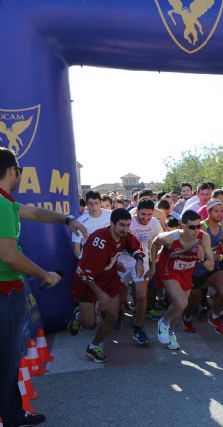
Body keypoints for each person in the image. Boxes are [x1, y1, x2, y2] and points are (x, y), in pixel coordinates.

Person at [0, 148, 86, 427]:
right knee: (8, 360)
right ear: (12, 171)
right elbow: (9, 255)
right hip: (5, 292)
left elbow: (34, 212)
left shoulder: (7, 203)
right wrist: (44, 274)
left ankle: (13, 414)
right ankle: (12, 417)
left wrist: (66, 219)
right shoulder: (2, 205)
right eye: (19, 171)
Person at [72, 209, 145, 362]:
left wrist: (138, 260)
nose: (126, 229)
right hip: (87, 282)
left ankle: (93, 347)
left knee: (113, 315)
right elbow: (83, 272)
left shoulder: (124, 235)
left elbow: (135, 247)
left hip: (109, 279)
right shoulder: (98, 241)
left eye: (128, 225)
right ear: (112, 224)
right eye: (122, 225)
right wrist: (100, 294)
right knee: (89, 324)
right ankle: (79, 315)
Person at [149, 210, 216, 350]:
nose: (196, 230)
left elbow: (210, 267)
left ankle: (171, 333)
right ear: (182, 225)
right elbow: (155, 243)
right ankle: (163, 322)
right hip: (168, 269)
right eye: (192, 227)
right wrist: (153, 266)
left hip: (186, 273)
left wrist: (202, 258)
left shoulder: (204, 238)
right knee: (181, 302)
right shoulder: (170, 238)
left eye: (198, 226)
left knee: (180, 307)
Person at [182, 200, 223, 334]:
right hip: (197, 270)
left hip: (212, 269)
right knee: (194, 303)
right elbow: (202, 254)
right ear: (209, 212)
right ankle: (186, 319)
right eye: (216, 211)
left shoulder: (221, 226)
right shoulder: (202, 227)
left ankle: (215, 317)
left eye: (221, 211)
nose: (220, 214)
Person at [117, 199, 163, 345]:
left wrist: (153, 265)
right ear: (137, 211)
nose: (146, 218)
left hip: (141, 262)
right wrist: (114, 262)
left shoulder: (155, 223)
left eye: (149, 215)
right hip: (122, 261)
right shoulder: (127, 220)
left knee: (142, 295)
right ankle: (117, 315)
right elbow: (114, 240)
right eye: (143, 214)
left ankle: (138, 328)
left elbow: (158, 243)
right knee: (120, 294)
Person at [72, 191, 111, 259]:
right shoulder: (79, 221)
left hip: (109, 257)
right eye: (90, 204)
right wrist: (82, 261)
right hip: (90, 259)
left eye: (96, 203)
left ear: (100, 202)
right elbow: (76, 247)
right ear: (86, 204)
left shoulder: (111, 215)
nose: (94, 207)